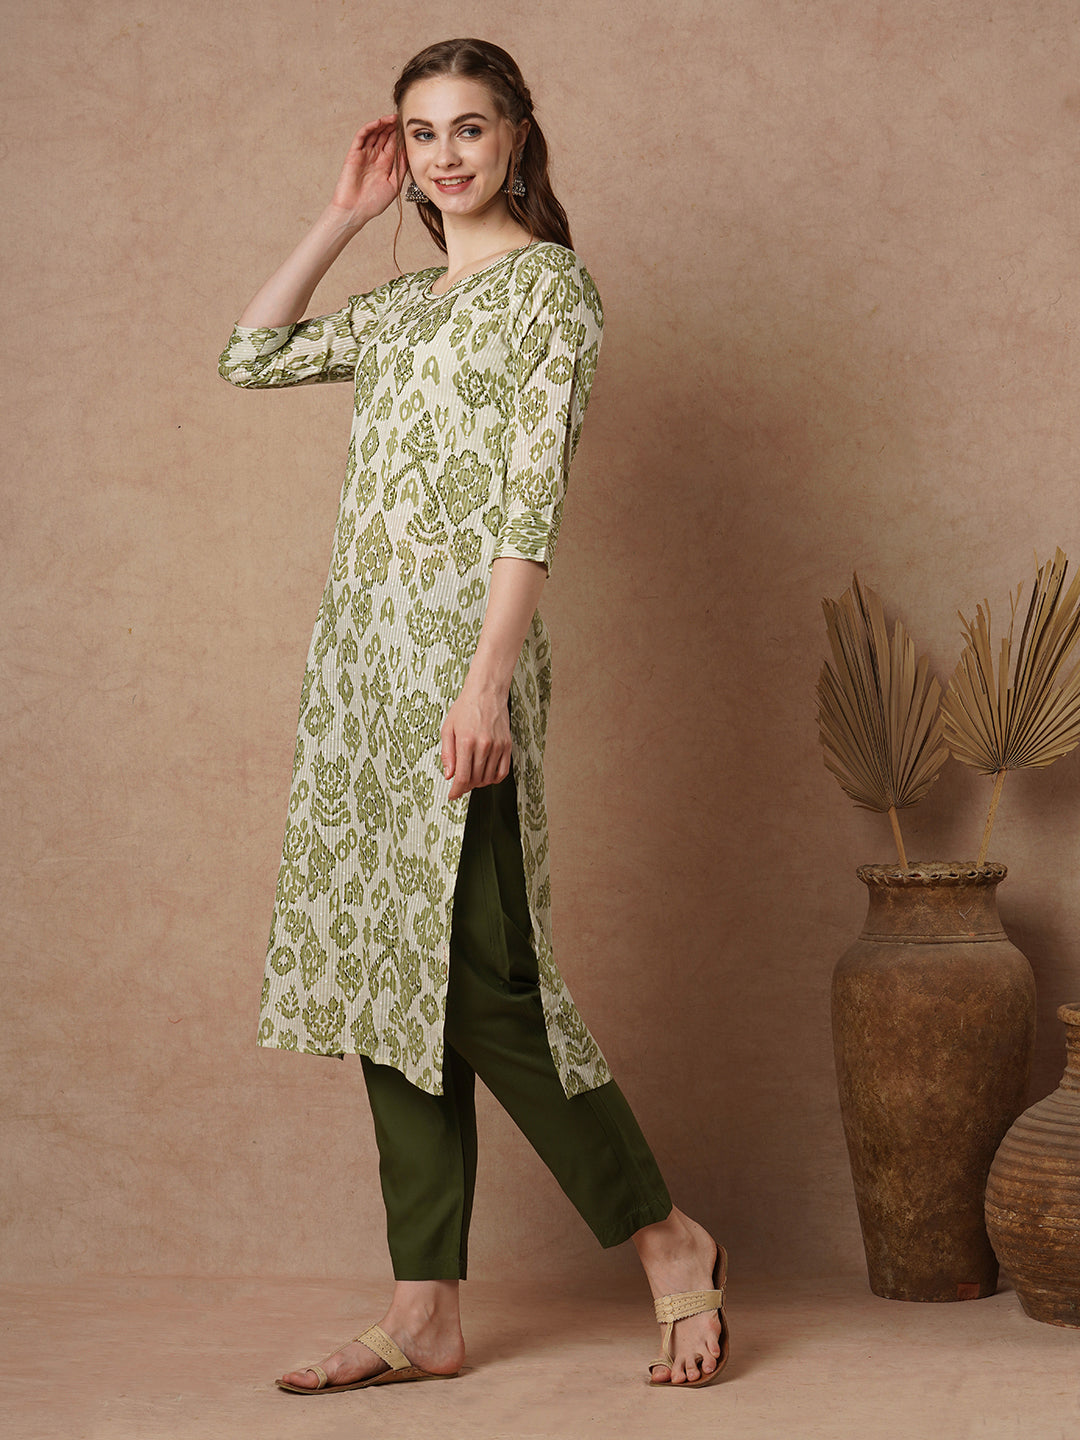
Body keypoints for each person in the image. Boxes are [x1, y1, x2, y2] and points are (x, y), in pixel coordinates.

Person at [219, 36, 729, 1392]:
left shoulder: (549, 292)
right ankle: (425, 1308)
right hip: (360, 685)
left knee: (492, 981)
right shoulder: (398, 307)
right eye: (421, 133)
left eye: (468, 127)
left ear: (516, 140)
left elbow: (527, 498)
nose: (444, 154)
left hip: (462, 672)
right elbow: (249, 354)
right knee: (390, 982)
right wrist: (341, 215)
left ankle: (667, 1235)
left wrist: (488, 680)